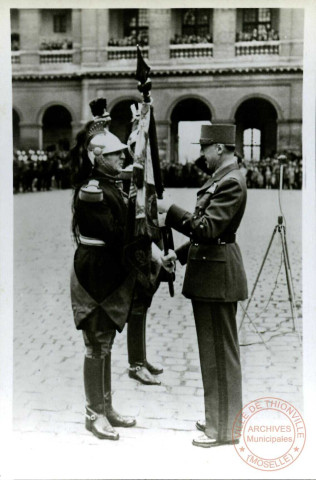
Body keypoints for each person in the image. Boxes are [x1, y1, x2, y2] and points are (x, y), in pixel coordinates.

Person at [70, 101, 173, 440]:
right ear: (99, 159)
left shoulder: (111, 185)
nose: (121, 160)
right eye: (115, 156)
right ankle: (93, 412)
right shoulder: (92, 191)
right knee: (95, 345)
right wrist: (146, 240)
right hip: (95, 274)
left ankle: (106, 406)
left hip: (109, 272)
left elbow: (128, 229)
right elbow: (117, 236)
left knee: (106, 343)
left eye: (121, 155)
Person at [158, 124, 248, 448]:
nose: (202, 155)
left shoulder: (231, 182)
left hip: (218, 277)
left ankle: (223, 429)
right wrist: (179, 255)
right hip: (211, 272)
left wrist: (170, 212)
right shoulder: (223, 178)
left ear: (220, 148)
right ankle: (218, 417)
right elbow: (209, 235)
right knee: (212, 353)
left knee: (220, 354)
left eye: (205, 148)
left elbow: (208, 229)